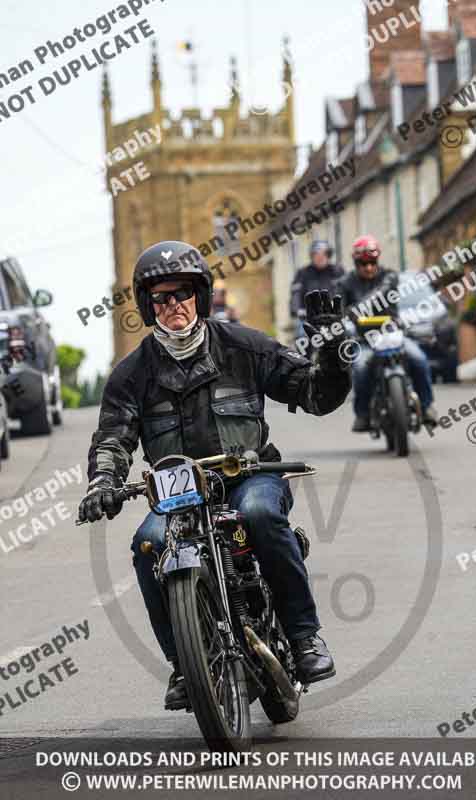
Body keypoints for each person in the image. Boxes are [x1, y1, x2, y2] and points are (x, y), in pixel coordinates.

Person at [78, 240, 350, 711]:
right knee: (148, 544)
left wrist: (331, 358)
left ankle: (305, 639)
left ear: (200, 297)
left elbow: (314, 393)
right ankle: (185, 665)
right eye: (161, 298)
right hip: (178, 494)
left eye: (182, 294)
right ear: (148, 306)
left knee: (260, 514)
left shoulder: (245, 347)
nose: (174, 306)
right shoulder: (131, 374)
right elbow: (113, 439)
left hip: (250, 475)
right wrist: (102, 483)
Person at [341, 235, 437, 432]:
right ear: (355, 262)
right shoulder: (345, 283)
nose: (368, 267)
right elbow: (339, 308)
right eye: (363, 263)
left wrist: (358, 309)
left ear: (377, 260)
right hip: (364, 340)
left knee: (419, 359)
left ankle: (427, 407)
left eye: (372, 263)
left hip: (392, 335)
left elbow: (382, 293)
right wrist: (343, 315)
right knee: (360, 368)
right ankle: (362, 414)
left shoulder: (389, 277)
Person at [290, 240, 344, 341]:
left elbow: (344, 291)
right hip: (308, 317)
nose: (320, 258)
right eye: (317, 255)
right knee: (302, 338)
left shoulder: (337, 271)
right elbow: (295, 294)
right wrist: (296, 310)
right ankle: (303, 357)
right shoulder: (302, 273)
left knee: (348, 335)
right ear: (312, 256)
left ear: (329, 255)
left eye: (324, 254)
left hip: (333, 316)